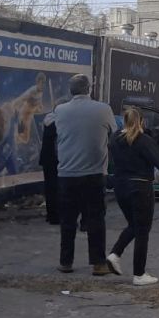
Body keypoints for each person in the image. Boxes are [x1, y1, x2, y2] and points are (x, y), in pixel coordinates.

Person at [106, 109, 159, 286]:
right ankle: (139, 273)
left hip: (120, 187)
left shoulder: (114, 139)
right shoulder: (143, 140)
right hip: (140, 187)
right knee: (143, 229)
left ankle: (115, 254)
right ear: (141, 121)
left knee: (134, 225)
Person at [54, 74, 117, 276]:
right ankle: (98, 264)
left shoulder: (60, 111)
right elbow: (113, 133)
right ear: (89, 89)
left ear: (71, 91)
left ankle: (66, 262)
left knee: (68, 220)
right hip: (95, 173)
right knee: (96, 219)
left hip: (66, 173)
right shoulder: (103, 109)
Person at [39, 98, 68, 225]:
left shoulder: (48, 120)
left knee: (49, 188)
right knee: (58, 188)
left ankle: (50, 214)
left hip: (46, 159)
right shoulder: (59, 122)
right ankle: (57, 216)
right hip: (57, 159)